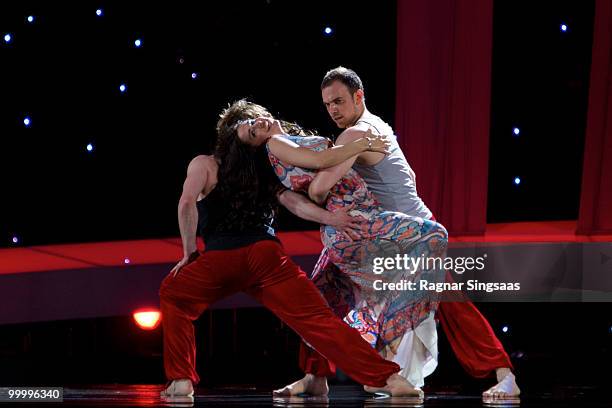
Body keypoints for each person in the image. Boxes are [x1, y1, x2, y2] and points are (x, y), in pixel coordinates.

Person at [159, 104, 419, 399]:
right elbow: (295, 204)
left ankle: (181, 381)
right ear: (233, 130)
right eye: (248, 123)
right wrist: (330, 218)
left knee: (173, 294)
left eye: (256, 124)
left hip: (223, 260)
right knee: (318, 320)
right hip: (267, 258)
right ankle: (389, 378)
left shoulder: (206, 164)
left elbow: (186, 203)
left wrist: (189, 253)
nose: (254, 123)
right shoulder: (265, 168)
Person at [302, 66, 520, 401]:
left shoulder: (357, 134)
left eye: (339, 101)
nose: (333, 109)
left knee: (452, 304)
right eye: (328, 103)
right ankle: (315, 377)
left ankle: (503, 374)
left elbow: (319, 189)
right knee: (325, 286)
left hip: (410, 235)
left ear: (359, 97)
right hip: (386, 233)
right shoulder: (375, 126)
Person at [220, 100, 449, 398]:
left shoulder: (283, 142)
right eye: (250, 131)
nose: (256, 125)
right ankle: (389, 348)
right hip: (353, 221)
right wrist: (362, 143)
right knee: (433, 236)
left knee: (322, 298)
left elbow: (312, 182)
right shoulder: (275, 144)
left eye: (252, 121)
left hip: (345, 223)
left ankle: (317, 377)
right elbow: (322, 164)